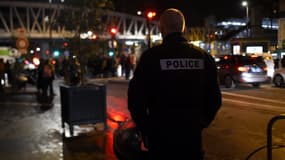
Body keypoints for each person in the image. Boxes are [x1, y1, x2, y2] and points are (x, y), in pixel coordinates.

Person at [127, 8, 222, 160]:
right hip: (192, 142)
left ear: (161, 29)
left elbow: (135, 100)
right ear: (183, 29)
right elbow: (215, 99)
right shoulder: (203, 57)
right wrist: (200, 123)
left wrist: (147, 129)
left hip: (160, 142)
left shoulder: (150, 58)